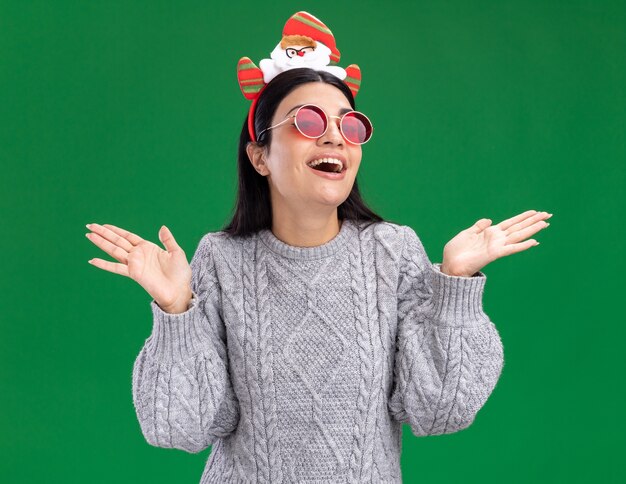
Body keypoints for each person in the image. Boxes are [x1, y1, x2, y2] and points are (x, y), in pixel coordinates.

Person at [85, 11, 552, 483]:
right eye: (307, 120)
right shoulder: (221, 259)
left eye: (350, 125)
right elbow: (179, 429)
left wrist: (454, 287)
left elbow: (439, 412)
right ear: (259, 155)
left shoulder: (392, 252)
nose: (334, 135)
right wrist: (176, 311)